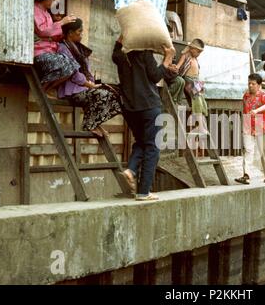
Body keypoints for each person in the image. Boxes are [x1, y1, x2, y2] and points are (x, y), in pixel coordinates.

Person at [112, 36, 176, 201]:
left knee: (141, 141)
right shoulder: (145, 53)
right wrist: (167, 58)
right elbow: (155, 76)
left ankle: (131, 170)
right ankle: (143, 191)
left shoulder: (120, 55)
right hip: (148, 105)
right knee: (152, 147)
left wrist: (123, 37)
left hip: (130, 108)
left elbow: (116, 49)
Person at [57, 19, 122, 137]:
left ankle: (94, 123)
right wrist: (90, 85)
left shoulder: (80, 49)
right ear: (70, 33)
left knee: (119, 100)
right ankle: (89, 125)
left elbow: (88, 72)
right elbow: (74, 74)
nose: (81, 35)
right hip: (73, 92)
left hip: (86, 89)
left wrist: (96, 83)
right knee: (103, 95)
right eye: (79, 32)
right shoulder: (63, 48)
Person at [34, 0, 80, 91]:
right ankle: (41, 88)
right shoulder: (35, 9)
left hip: (49, 51)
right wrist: (62, 22)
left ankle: (46, 89)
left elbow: (52, 34)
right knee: (63, 62)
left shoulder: (47, 13)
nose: (55, 2)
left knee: (73, 66)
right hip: (39, 52)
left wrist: (65, 30)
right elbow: (43, 31)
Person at [235, 74, 265, 185]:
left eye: (253, 84)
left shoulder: (263, 95)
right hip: (248, 125)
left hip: (261, 124)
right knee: (248, 150)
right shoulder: (246, 95)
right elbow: (244, 110)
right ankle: (246, 175)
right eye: (249, 83)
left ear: (259, 85)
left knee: (264, 151)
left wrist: (256, 111)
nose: (250, 86)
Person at [176, 39, 208, 119]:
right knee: (197, 98)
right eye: (198, 52)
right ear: (192, 48)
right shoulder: (185, 56)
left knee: (202, 101)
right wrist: (174, 68)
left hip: (196, 81)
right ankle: (200, 125)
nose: (199, 54)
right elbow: (178, 67)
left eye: (200, 53)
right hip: (188, 81)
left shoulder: (196, 59)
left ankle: (203, 124)